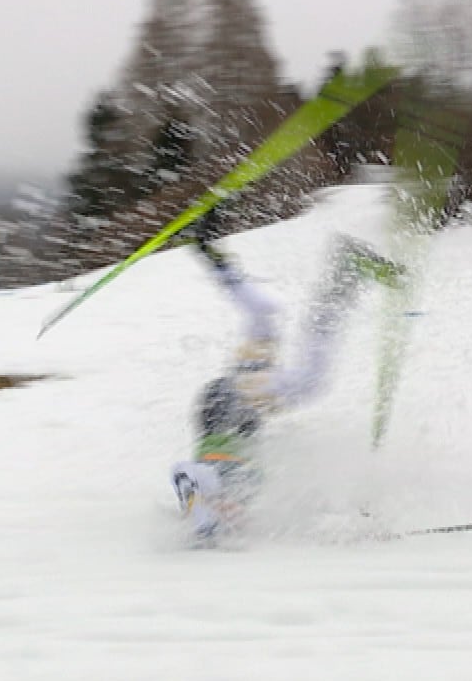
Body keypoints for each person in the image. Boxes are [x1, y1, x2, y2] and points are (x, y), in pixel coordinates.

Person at [170, 209, 404, 545]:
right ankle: (342, 274)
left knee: (306, 376)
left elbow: (187, 475)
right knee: (267, 319)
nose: (239, 517)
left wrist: (204, 523)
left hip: (230, 401)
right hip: (231, 401)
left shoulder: (218, 484)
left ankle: (345, 273)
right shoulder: (243, 484)